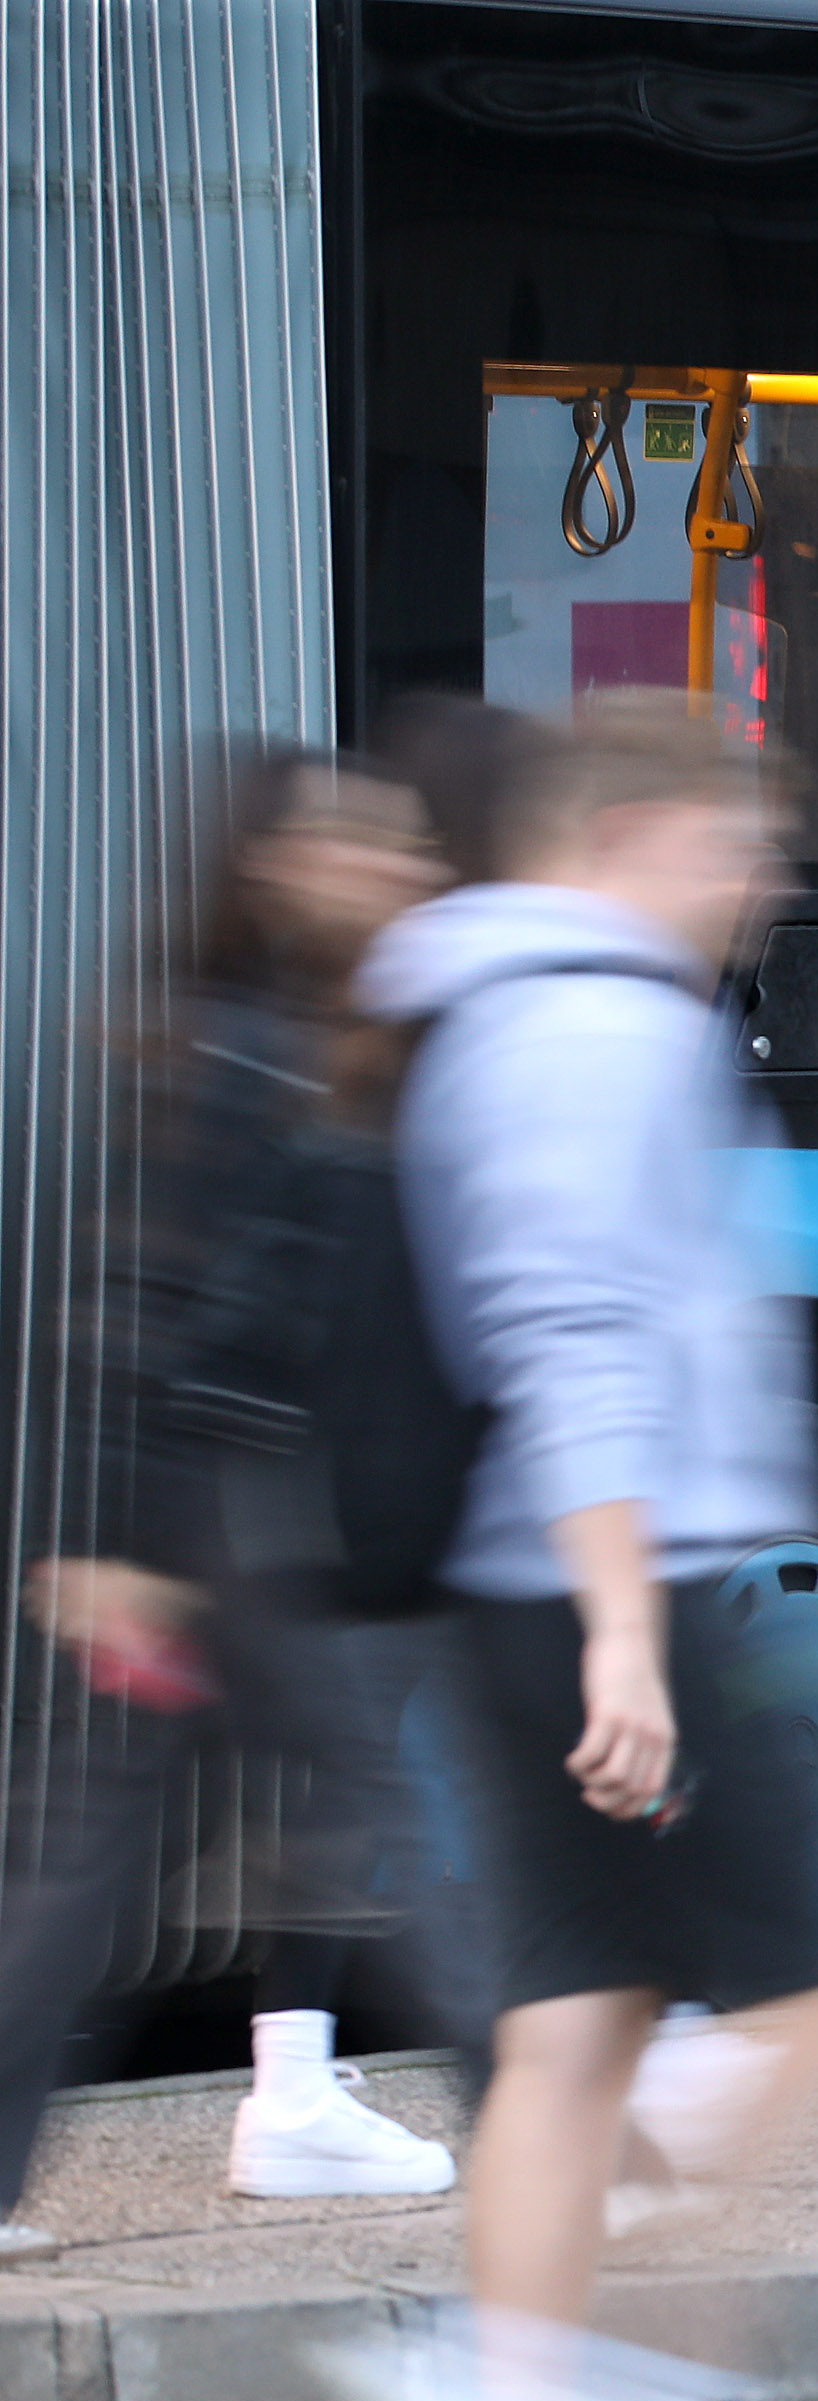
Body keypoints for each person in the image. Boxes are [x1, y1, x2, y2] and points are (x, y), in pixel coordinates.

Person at [360, 695, 818, 2401]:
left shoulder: (496, 1008)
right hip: (612, 1583)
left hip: (556, 1583)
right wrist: (624, 1635)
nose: (760, 882)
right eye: (735, 839)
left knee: (577, 2033)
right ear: (635, 832)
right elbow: (571, 1327)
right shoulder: (598, 1024)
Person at [1, 749, 482, 2266]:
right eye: (362, 850)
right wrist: (135, 1548)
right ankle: (560, 2140)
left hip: (235, 1498)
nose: (397, 872)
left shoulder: (300, 1038)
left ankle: (298, 2101)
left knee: (100, 1846)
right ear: (276, 869)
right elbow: (158, 1305)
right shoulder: (247, 1050)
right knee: (358, 1800)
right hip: (236, 1503)